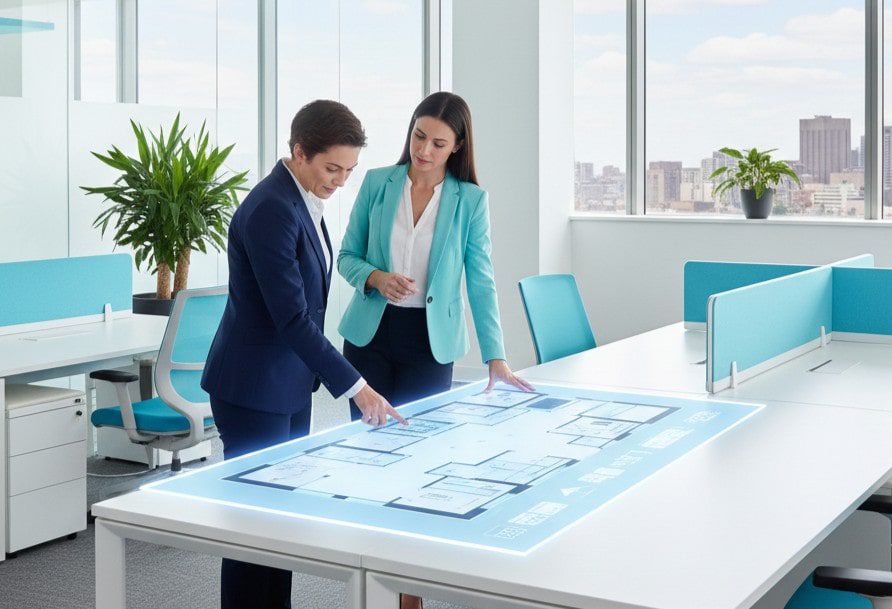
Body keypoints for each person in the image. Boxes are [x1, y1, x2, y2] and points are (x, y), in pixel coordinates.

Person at [201, 100, 405, 609]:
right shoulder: (272, 207)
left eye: (348, 171)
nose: (339, 181)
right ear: (299, 151)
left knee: (281, 524)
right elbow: (291, 317)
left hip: (288, 383)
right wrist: (358, 388)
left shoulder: (301, 201)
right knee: (253, 529)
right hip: (253, 388)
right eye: (331, 167)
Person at [337, 91, 534, 609]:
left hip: (431, 344)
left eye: (437, 142)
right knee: (371, 464)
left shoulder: (470, 200)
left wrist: (496, 354)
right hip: (370, 341)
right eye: (418, 135)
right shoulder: (378, 183)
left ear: (457, 146)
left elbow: (482, 279)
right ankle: (370, 582)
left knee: (422, 471)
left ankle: (409, 595)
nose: (423, 149)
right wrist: (375, 277)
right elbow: (347, 256)